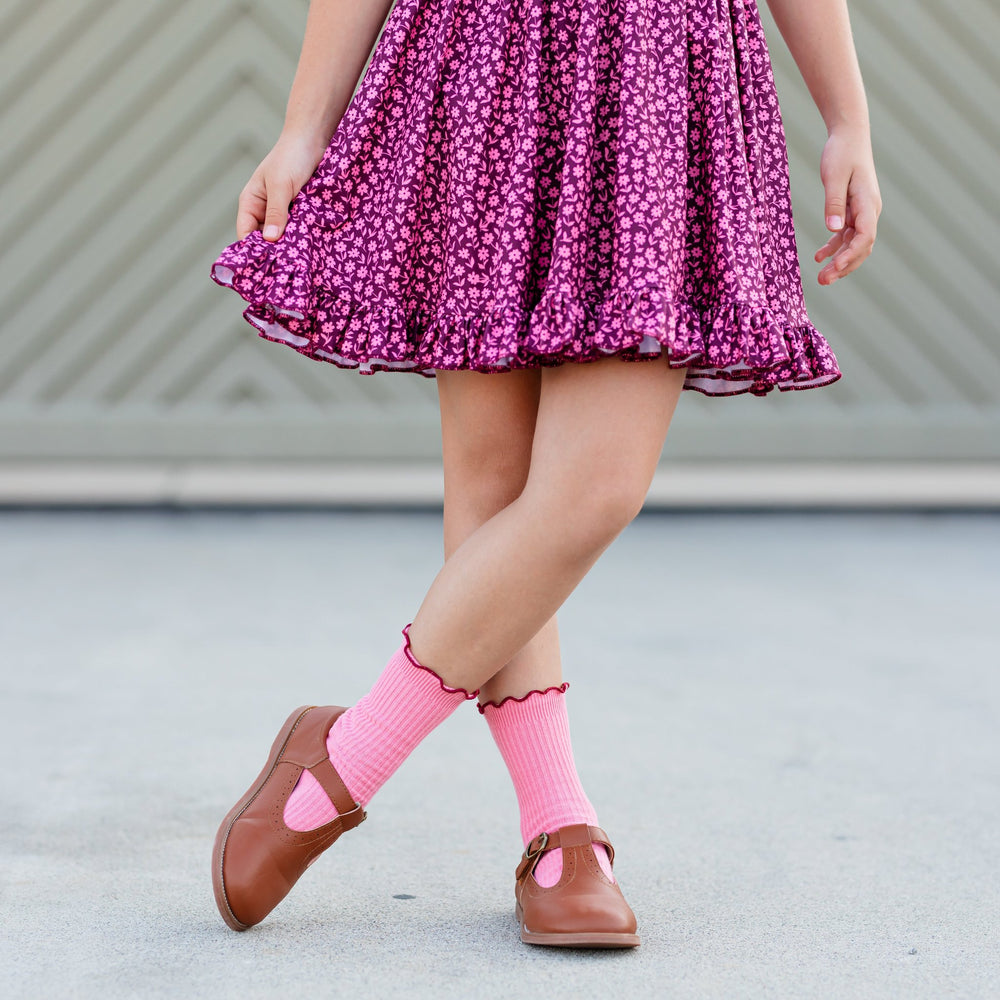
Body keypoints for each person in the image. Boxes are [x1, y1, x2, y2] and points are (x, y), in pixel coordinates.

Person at [208, 0, 881, 948]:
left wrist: (848, 116)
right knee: (492, 485)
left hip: (659, 83)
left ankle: (345, 758)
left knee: (593, 488)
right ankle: (558, 827)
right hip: (484, 61)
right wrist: (301, 128)